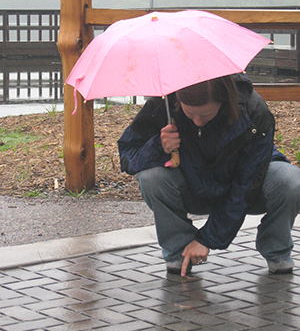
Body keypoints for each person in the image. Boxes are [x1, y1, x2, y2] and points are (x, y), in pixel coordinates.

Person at [118, 73, 300, 276]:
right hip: (191, 187)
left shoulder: (254, 110)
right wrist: (159, 147)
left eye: (205, 115)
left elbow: (246, 185)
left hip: (246, 190)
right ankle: (180, 250)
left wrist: (208, 238)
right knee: (151, 179)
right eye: (189, 114)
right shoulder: (163, 104)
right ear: (178, 101)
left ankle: (277, 249)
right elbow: (128, 155)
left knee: (290, 180)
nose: (197, 121)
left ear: (225, 101)